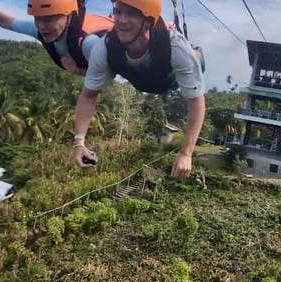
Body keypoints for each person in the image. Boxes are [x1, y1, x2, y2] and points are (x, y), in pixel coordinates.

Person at [72, 0, 206, 178]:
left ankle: (198, 53)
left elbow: (196, 102)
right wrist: (79, 143)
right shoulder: (104, 47)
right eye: (118, 12)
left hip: (170, 79)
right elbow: (88, 96)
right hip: (142, 79)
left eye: (131, 13)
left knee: (195, 59)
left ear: (149, 21)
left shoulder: (175, 47)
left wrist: (185, 153)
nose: (121, 20)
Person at [0, 0, 113, 75]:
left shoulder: (88, 43)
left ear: (68, 17)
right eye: (37, 19)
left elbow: (112, 72)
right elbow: (6, 21)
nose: (41, 26)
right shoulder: (40, 30)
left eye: (48, 20)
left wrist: (78, 70)